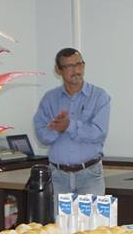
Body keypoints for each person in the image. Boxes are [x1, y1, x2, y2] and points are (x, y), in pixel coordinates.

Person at [33, 48, 111, 198]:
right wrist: (58, 129)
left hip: (89, 175)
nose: (76, 70)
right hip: (57, 177)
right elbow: (42, 136)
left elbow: (98, 133)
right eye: (69, 66)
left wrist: (68, 126)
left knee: (92, 222)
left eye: (79, 64)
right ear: (58, 70)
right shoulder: (49, 99)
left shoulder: (99, 96)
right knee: (58, 221)